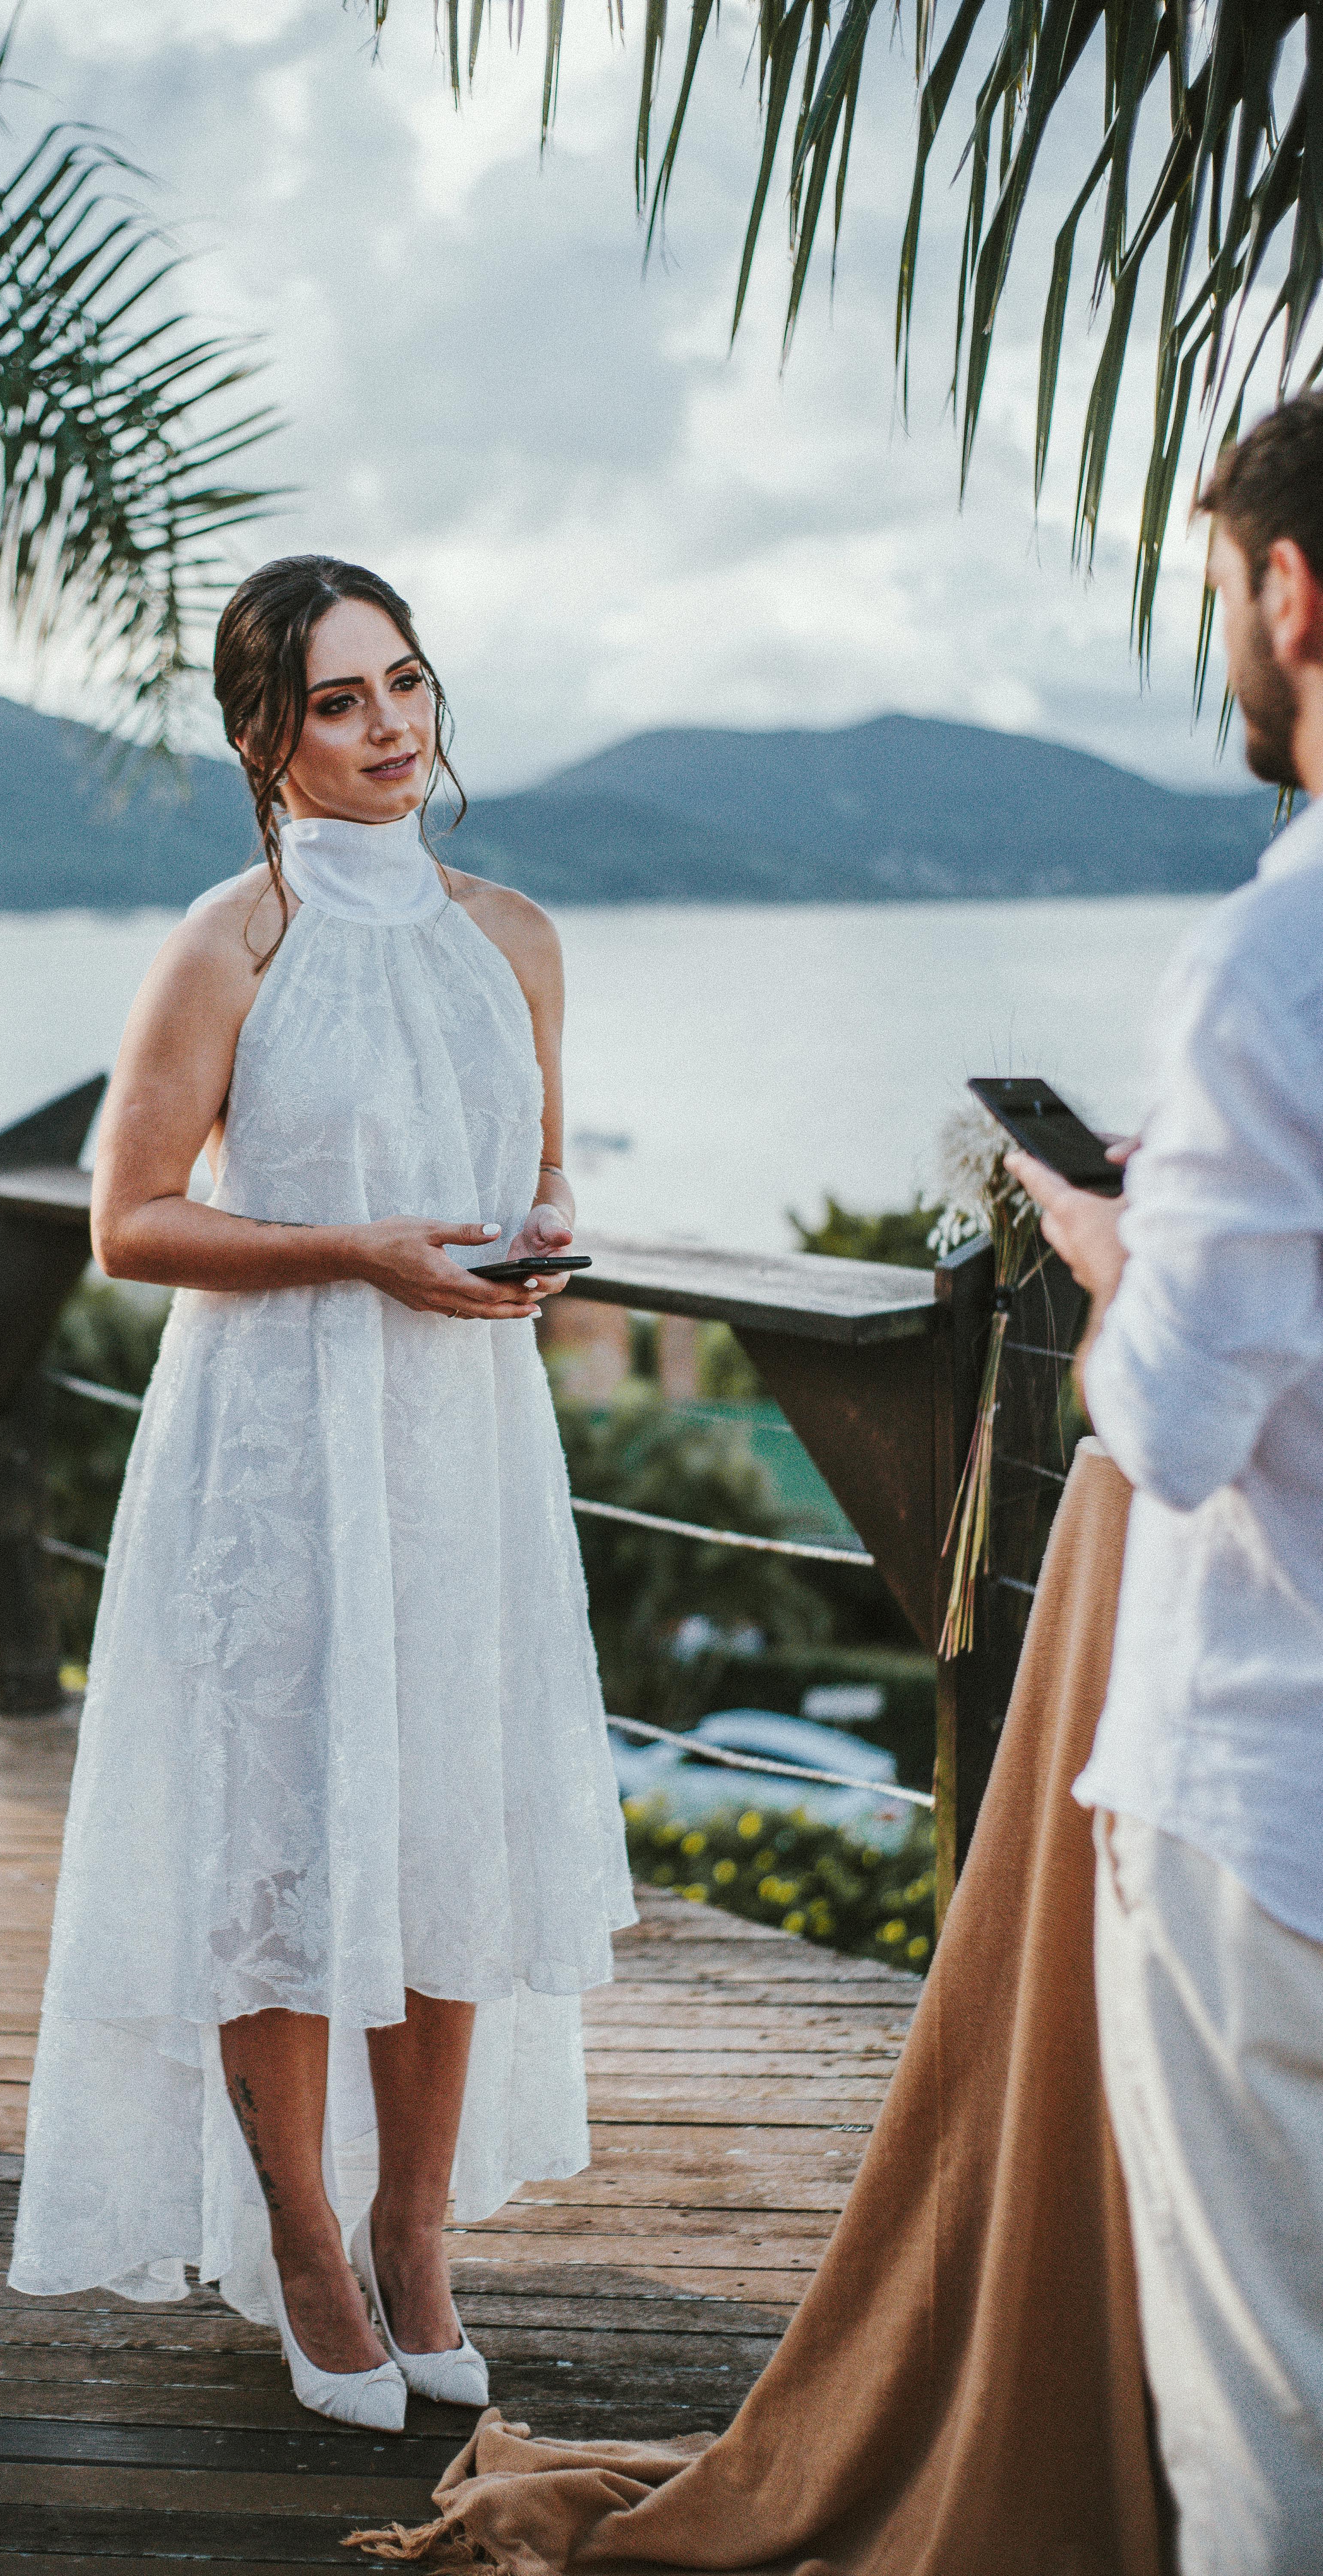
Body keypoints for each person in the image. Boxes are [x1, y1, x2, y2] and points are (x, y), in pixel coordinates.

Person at [9, 555, 636, 2431]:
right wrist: (358, 1248)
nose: (389, 729)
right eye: (340, 702)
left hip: (460, 1444)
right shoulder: (230, 939)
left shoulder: (512, 933)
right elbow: (130, 1220)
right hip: (278, 1447)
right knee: (273, 1850)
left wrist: (535, 1242)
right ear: (262, 740)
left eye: (405, 685)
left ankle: (416, 2232)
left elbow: (528, 1175)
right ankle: (299, 2243)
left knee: (445, 1826)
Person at [1012, 392, 1323, 2574]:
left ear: (1289, 594)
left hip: (1270, 1806)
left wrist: (1117, 1245)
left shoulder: (1261, 968)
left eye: (1219, 589)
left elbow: (1173, 1429)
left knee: (1263, 2441)